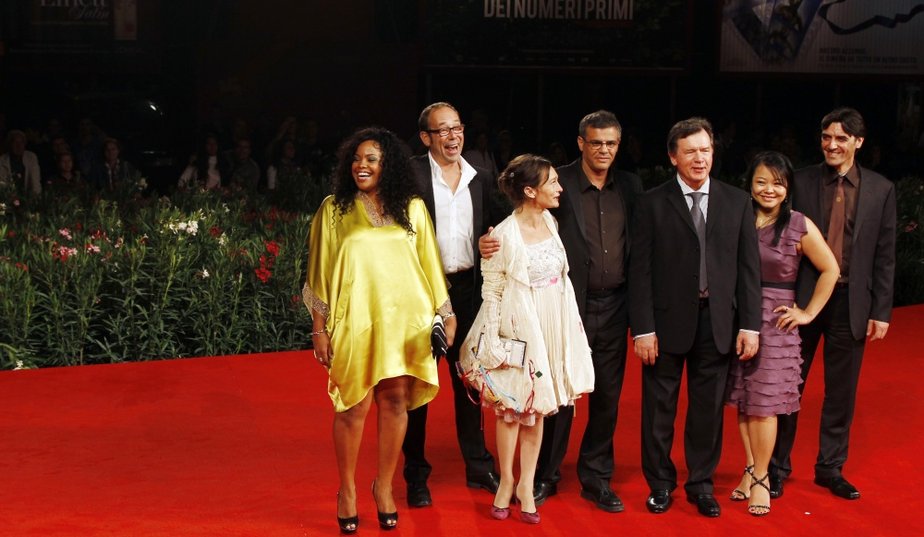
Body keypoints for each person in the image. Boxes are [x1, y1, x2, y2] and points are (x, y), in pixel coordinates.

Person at [302, 126, 455, 534]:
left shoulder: (413, 208)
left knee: (397, 402)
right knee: (353, 406)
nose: (361, 165)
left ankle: (383, 487)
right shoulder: (334, 209)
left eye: (371, 159)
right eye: (356, 159)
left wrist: (446, 313)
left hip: (407, 322)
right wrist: (319, 328)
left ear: (389, 164)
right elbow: (318, 270)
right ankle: (347, 490)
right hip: (355, 320)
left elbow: (430, 265)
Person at [629, 117, 761, 518]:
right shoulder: (651, 203)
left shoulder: (737, 201)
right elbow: (641, 271)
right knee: (659, 410)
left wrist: (750, 324)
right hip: (665, 324)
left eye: (705, 149)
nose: (700, 158)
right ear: (673, 157)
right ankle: (660, 485)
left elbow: (748, 269)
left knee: (707, 412)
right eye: (690, 151)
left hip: (718, 322)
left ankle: (701, 484)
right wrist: (643, 329)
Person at [459, 154, 594, 525]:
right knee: (512, 410)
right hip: (518, 329)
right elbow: (494, 289)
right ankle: (505, 482)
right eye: (552, 182)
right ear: (530, 190)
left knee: (537, 412)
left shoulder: (551, 221)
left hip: (552, 323)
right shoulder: (501, 235)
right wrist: (495, 339)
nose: (559, 187)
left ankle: (527, 485)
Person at [770, 107, 896, 501]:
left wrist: (881, 310)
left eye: (841, 138)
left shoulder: (881, 189)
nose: (832, 144)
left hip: (851, 301)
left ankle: (830, 468)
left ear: (859, 142)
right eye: (827, 137)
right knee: (788, 386)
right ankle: (775, 468)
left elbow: (884, 253)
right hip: (802, 300)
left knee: (842, 392)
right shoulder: (802, 182)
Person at [529, 110, 643, 513]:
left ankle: (596, 477)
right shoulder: (557, 182)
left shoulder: (630, 186)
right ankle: (545, 475)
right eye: (596, 142)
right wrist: (493, 238)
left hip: (615, 306)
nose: (604, 150)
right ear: (581, 143)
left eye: (611, 143)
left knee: (608, 397)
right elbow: (525, 218)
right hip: (567, 307)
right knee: (561, 394)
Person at [402, 102, 504, 508]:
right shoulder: (410, 174)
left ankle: (478, 466)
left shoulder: (479, 172)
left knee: (470, 383)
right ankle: (415, 474)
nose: (452, 136)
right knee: (419, 387)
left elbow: (497, 222)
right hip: (423, 294)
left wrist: (488, 243)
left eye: (457, 128)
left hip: (468, 291)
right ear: (426, 137)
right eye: (441, 130)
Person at [726, 151, 838, 516]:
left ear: (787, 187)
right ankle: (748, 469)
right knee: (744, 399)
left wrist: (808, 312)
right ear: (750, 184)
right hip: (739, 316)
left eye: (777, 182)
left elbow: (830, 269)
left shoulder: (799, 225)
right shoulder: (739, 217)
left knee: (766, 405)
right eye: (761, 181)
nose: (768, 189)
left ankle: (761, 478)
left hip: (776, 322)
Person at [0, 130, 42, 196]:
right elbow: (2, 183)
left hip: (28, 197)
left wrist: (36, 200)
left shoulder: (31, 157)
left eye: (21, 142)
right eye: (15, 142)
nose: (18, 146)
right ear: (10, 144)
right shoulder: (2, 160)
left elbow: (35, 182)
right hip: (8, 197)